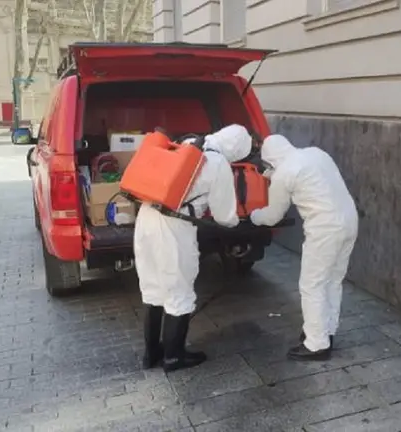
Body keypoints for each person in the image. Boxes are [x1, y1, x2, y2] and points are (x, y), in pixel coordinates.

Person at [134, 124, 252, 374]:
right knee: (179, 289)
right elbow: (225, 216)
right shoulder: (218, 162)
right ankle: (174, 357)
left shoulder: (187, 143)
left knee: (153, 287)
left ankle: (151, 353)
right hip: (173, 228)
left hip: (145, 218)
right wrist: (238, 223)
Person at [250, 135, 358, 361]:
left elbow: (271, 217)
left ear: (270, 159)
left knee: (312, 285)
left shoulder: (283, 174)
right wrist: (272, 174)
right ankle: (326, 331)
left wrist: (253, 216)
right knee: (333, 281)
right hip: (349, 222)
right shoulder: (316, 154)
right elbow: (304, 177)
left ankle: (316, 344)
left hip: (324, 229)